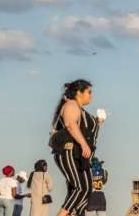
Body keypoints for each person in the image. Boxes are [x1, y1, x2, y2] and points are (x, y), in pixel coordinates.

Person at [49, 79, 101, 216]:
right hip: (70, 151)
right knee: (81, 188)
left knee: (85, 189)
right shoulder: (71, 104)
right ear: (79, 92)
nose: (91, 95)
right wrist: (84, 144)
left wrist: (97, 122)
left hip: (78, 155)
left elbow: (81, 127)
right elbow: (71, 125)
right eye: (89, 92)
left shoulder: (79, 109)